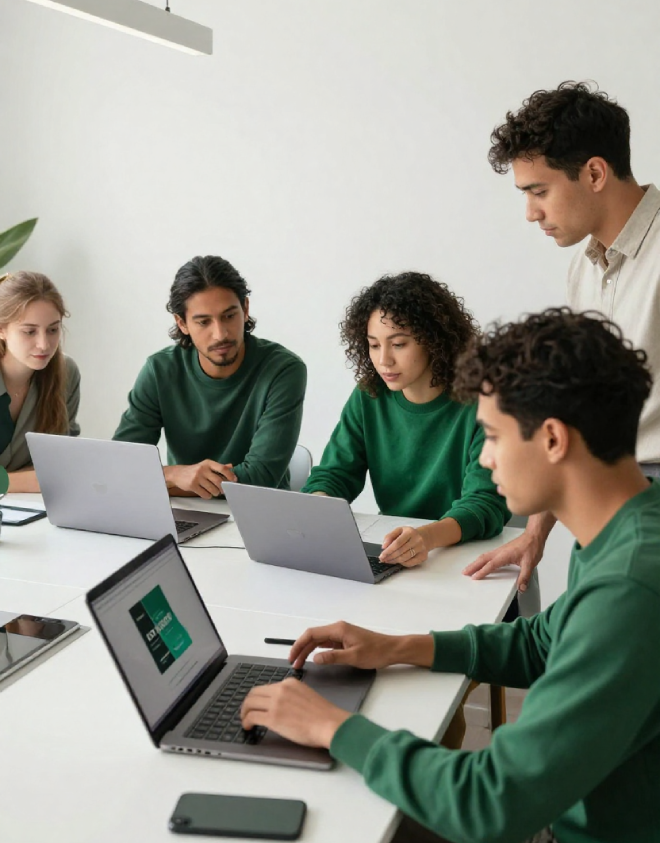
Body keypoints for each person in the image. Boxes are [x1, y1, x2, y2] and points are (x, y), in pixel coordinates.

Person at [241, 308, 660, 843]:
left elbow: (490, 802)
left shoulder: (630, 586)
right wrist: (398, 646)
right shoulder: (628, 527)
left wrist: (332, 726)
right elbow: (543, 643)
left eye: (491, 434)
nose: (484, 456)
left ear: (553, 439)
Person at [469, 80, 660, 593]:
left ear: (595, 172)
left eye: (539, 191)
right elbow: (577, 407)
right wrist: (536, 532)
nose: (531, 212)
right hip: (603, 498)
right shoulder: (584, 267)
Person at [302, 272, 509, 566]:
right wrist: (320, 506)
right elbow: (335, 474)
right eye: (374, 345)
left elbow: (484, 504)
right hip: (396, 548)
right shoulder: (369, 396)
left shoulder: (482, 402)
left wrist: (425, 537)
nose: (384, 359)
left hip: (465, 555)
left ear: (434, 341)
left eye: (398, 344)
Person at [114, 255, 306, 497]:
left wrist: (163, 483)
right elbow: (120, 465)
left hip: (258, 513)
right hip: (185, 513)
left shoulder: (283, 370)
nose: (220, 334)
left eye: (229, 316)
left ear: (245, 309)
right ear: (182, 323)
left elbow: (260, 478)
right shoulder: (159, 371)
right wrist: (174, 475)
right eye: (204, 322)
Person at [0, 271, 80, 492]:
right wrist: (31, 481)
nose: (44, 344)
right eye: (29, 332)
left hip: (31, 511)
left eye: (53, 330)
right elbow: (49, 477)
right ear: (1, 330)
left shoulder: (67, 373)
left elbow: (61, 464)